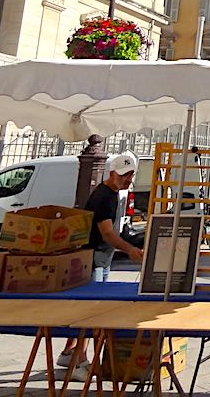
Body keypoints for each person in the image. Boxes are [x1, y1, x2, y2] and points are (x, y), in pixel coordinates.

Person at [59, 153, 144, 367]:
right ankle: (80, 361)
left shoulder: (112, 193)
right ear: (112, 173)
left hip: (100, 257)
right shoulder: (104, 196)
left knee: (86, 309)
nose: (127, 179)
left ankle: (69, 353)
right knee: (92, 312)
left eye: (131, 175)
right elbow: (106, 233)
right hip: (95, 258)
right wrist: (130, 250)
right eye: (124, 175)